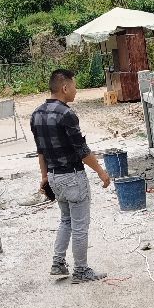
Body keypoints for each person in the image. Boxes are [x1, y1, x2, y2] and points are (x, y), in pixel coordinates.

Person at [30, 69, 111, 283]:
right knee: (80, 225)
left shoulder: (36, 114)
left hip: (54, 177)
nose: (76, 90)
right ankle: (81, 270)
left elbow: (41, 151)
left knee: (66, 220)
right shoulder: (66, 114)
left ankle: (58, 263)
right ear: (65, 88)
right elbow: (82, 150)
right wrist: (101, 172)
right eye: (74, 86)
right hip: (73, 177)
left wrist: (44, 177)